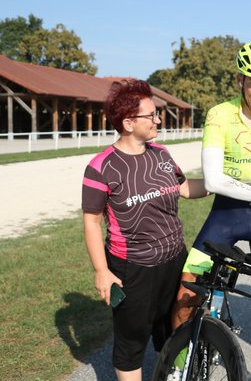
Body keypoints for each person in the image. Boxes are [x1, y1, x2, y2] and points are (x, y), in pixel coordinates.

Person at [170, 41, 251, 381]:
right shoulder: (219, 114)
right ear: (240, 79)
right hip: (225, 216)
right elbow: (213, 179)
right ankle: (180, 367)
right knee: (186, 293)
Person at [82, 79, 208, 381]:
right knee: (131, 345)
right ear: (128, 122)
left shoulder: (161, 154)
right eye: (150, 115)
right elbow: (91, 221)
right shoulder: (101, 167)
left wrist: (223, 184)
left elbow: (183, 188)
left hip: (175, 260)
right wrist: (102, 270)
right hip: (133, 268)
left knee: (175, 332)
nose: (158, 120)